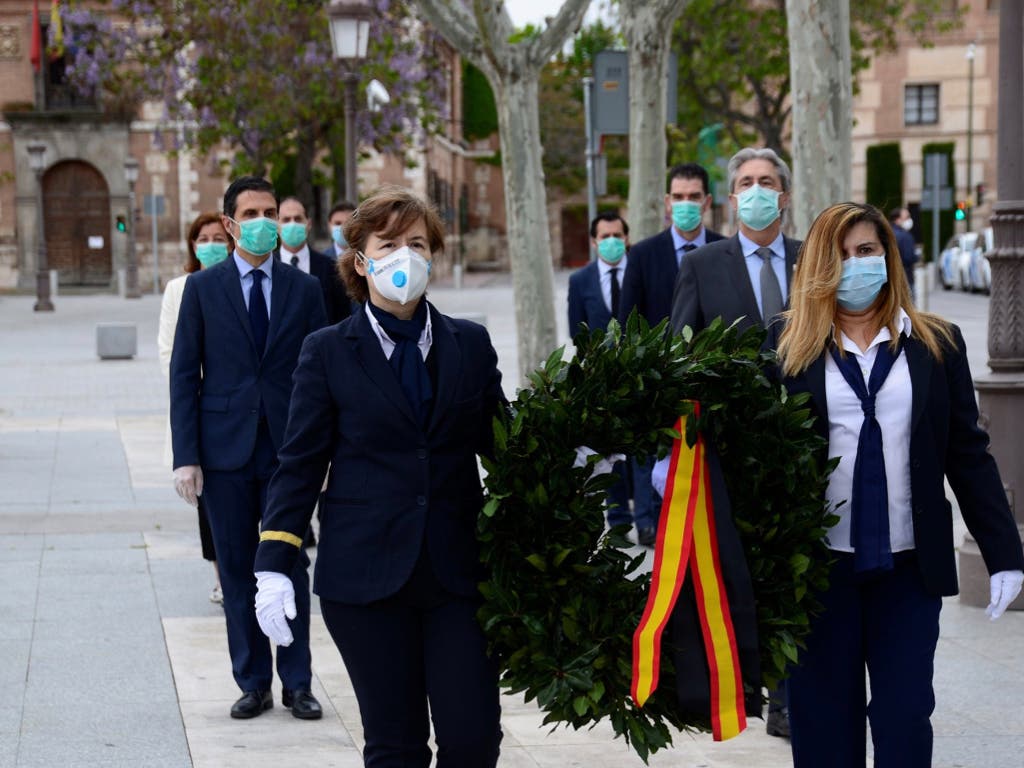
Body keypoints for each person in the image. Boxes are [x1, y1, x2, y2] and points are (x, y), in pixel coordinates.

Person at [253, 186, 505, 767]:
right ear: (360, 261)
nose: (405, 257)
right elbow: (299, 464)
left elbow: (502, 442)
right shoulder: (327, 352)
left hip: (458, 575)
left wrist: (570, 450)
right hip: (365, 580)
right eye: (389, 244)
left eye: (417, 243)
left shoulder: (469, 343)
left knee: (473, 740)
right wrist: (273, 562)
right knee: (396, 747)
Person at [777, 202, 1024, 767]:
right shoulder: (785, 349)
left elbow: (968, 453)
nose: (855, 265)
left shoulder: (938, 344)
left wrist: (1004, 553)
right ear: (818, 265)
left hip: (909, 570)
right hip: (816, 575)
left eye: (867, 251)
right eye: (840, 255)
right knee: (822, 727)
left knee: (905, 717)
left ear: (889, 256)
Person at [170, 175, 328, 720]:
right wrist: (185, 456)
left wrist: (323, 453)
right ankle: (253, 680)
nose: (266, 222)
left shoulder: (304, 290)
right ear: (232, 223)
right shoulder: (202, 290)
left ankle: (298, 682)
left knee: (288, 566)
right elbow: (184, 375)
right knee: (237, 569)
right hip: (224, 452)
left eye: (273, 211)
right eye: (254, 213)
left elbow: (320, 377)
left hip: (289, 452)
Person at [669, 146, 800, 737]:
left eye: (766, 181)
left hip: (810, 454)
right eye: (745, 181)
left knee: (800, 573)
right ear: (730, 198)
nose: (756, 190)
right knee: (744, 574)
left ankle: (793, 698)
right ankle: (750, 681)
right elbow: (680, 352)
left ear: (785, 195)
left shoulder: (812, 261)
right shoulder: (704, 264)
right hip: (731, 454)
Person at [619, 163, 724, 547]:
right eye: (678, 197)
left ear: (707, 201)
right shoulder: (643, 254)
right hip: (658, 382)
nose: (686, 204)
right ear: (667, 202)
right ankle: (648, 525)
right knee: (651, 459)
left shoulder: (724, 249)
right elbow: (627, 322)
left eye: (693, 197)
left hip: (713, 385)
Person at [158, 212, 232, 605]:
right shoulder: (179, 289)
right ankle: (221, 575)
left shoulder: (242, 284)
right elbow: (170, 354)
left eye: (218, 237)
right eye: (202, 238)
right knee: (210, 504)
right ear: (192, 244)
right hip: (202, 409)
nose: (210, 245)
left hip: (237, 408)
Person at [567, 211, 633, 533]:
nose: (611, 242)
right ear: (594, 242)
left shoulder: (638, 272)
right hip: (601, 380)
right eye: (604, 237)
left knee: (644, 453)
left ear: (627, 239)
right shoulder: (580, 280)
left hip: (640, 376)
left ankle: (649, 519)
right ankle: (620, 518)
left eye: (617, 236)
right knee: (611, 452)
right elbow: (575, 330)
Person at [278, 196, 351, 325]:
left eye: (298, 219)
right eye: (286, 220)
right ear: (277, 225)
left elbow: (342, 316)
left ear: (308, 224)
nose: (292, 224)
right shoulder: (266, 266)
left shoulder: (330, 267)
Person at [889, 207, 918, 300]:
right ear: (898, 219)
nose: (910, 220)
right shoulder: (905, 236)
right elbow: (908, 257)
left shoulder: (887, 233)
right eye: (907, 217)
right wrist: (917, 257)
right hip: (905, 278)